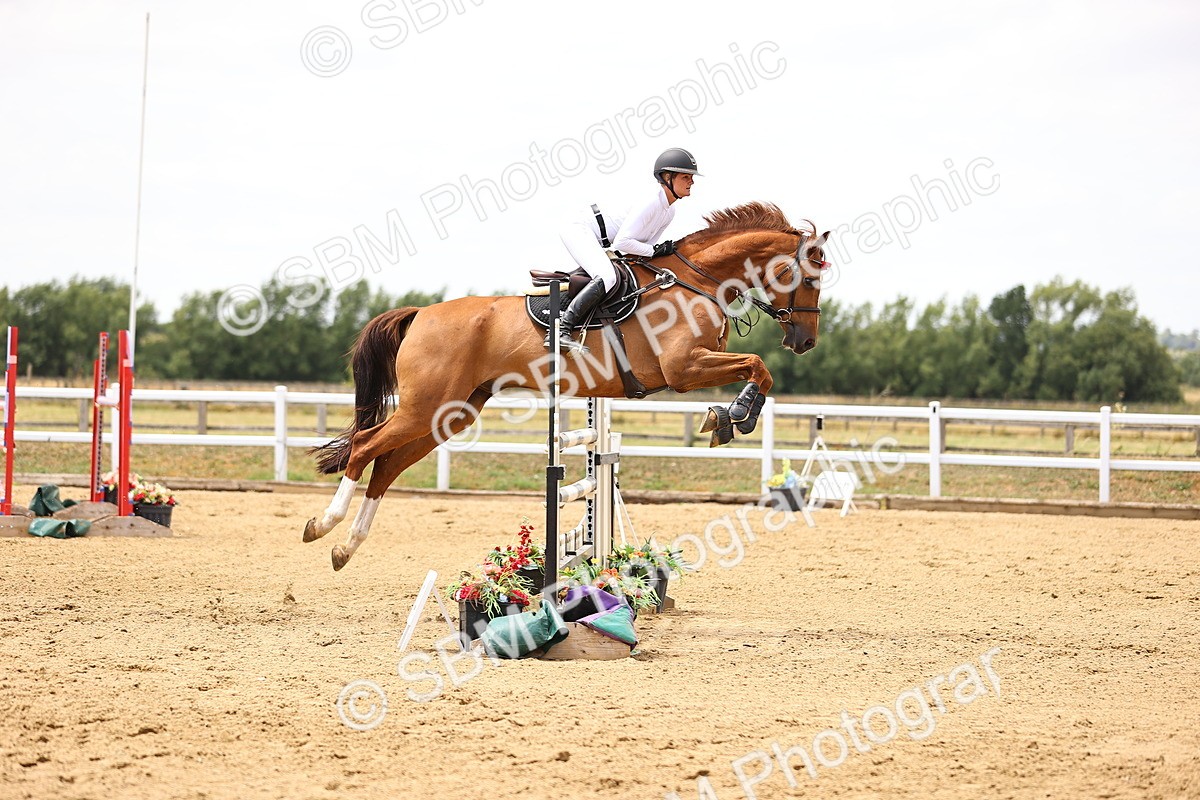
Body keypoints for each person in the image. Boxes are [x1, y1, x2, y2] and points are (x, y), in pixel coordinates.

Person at [546, 147, 699, 352]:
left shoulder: (669, 212)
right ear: (667, 177)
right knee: (608, 277)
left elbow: (638, 252)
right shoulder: (653, 201)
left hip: (600, 239)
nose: (692, 182)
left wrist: (657, 253)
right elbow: (623, 243)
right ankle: (560, 330)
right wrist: (656, 251)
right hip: (580, 228)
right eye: (686, 177)